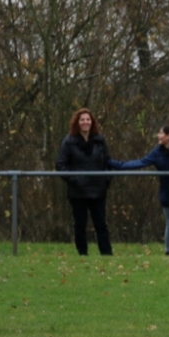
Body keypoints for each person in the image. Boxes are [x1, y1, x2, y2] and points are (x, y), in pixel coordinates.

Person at [108, 125, 169, 255]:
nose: (158, 135)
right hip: (167, 194)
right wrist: (114, 164)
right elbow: (140, 163)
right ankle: (168, 252)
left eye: (161, 133)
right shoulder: (157, 152)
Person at [55, 108, 113, 255]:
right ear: (77, 122)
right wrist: (74, 180)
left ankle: (107, 254)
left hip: (98, 190)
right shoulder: (69, 141)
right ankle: (82, 254)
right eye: (82, 120)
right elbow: (61, 165)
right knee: (80, 225)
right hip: (78, 191)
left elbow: (108, 162)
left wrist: (106, 180)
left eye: (88, 119)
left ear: (92, 122)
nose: (85, 122)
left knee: (101, 224)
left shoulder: (100, 141)